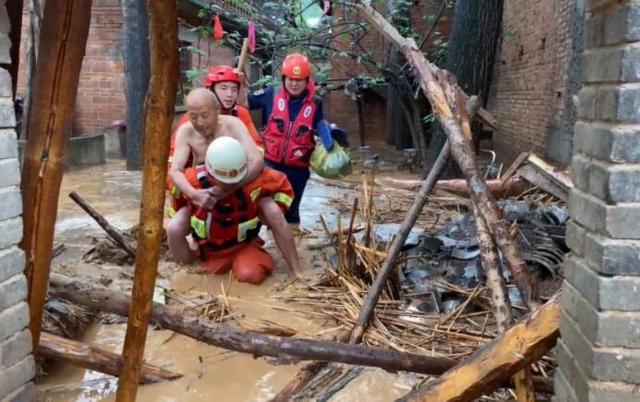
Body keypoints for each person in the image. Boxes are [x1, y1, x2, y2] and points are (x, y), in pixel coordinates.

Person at [166, 89, 301, 277]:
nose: (200, 123)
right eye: (193, 116)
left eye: (205, 115)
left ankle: (297, 271)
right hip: (204, 188)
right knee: (173, 228)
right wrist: (195, 194)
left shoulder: (234, 125)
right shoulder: (185, 132)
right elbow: (175, 171)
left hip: (242, 181)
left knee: (273, 212)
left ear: (217, 110)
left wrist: (229, 188)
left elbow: (257, 162)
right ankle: (191, 270)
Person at [178, 137, 300, 284]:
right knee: (176, 231)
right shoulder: (193, 181)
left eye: (233, 182)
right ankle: (187, 263)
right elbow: (175, 192)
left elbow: (284, 188)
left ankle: (297, 271)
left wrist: (273, 208)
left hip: (244, 245)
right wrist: (191, 203)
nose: (228, 187)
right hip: (210, 250)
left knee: (251, 275)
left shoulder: (259, 179)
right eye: (223, 182)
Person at [248, 53, 334, 226]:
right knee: (266, 212)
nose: (294, 84)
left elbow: (318, 123)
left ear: (307, 80)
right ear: (283, 78)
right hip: (271, 165)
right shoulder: (270, 94)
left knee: (291, 215)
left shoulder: (315, 102)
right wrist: (235, 84)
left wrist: (328, 134)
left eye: (299, 80)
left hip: (298, 169)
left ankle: (295, 246)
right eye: (290, 79)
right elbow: (245, 102)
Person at [166, 65, 262, 218]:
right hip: (202, 183)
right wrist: (193, 193)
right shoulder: (187, 124)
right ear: (211, 90)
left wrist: (231, 185)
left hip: (239, 177)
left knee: (271, 207)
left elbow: (257, 154)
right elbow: (173, 167)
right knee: (176, 227)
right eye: (223, 88)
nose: (229, 95)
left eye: (234, 89)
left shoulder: (240, 116)